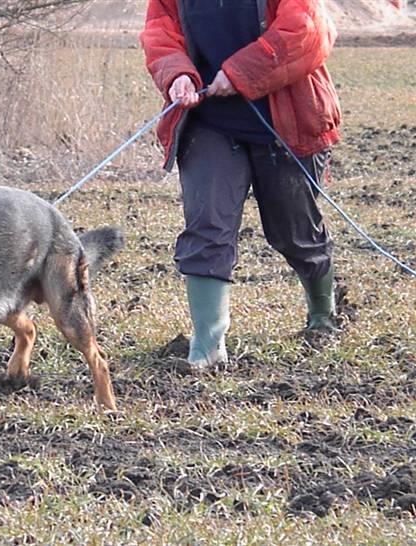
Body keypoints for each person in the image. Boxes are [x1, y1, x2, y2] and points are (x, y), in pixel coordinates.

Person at [140, 0, 341, 369]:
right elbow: (160, 32)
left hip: (286, 123)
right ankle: (207, 346)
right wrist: (177, 74)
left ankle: (323, 315)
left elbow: (307, 30)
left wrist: (240, 73)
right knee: (207, 226)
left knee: (294, 232)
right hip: (208, 122)